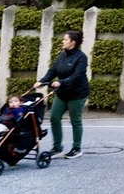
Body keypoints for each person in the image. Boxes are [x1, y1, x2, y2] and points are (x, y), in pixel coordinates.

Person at [35, 30, 89, 159]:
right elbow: (53, 71)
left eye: (65, 39)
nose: (63, 41)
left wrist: (61, 82)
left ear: (73, 42)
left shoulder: (81, 57)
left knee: (75, 121)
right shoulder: (62, 55)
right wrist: (42, 81)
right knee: (54, 117)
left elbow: (77, 76)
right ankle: (57, 147)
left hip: (77, 94)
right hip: (62, 93)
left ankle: (76, 148)